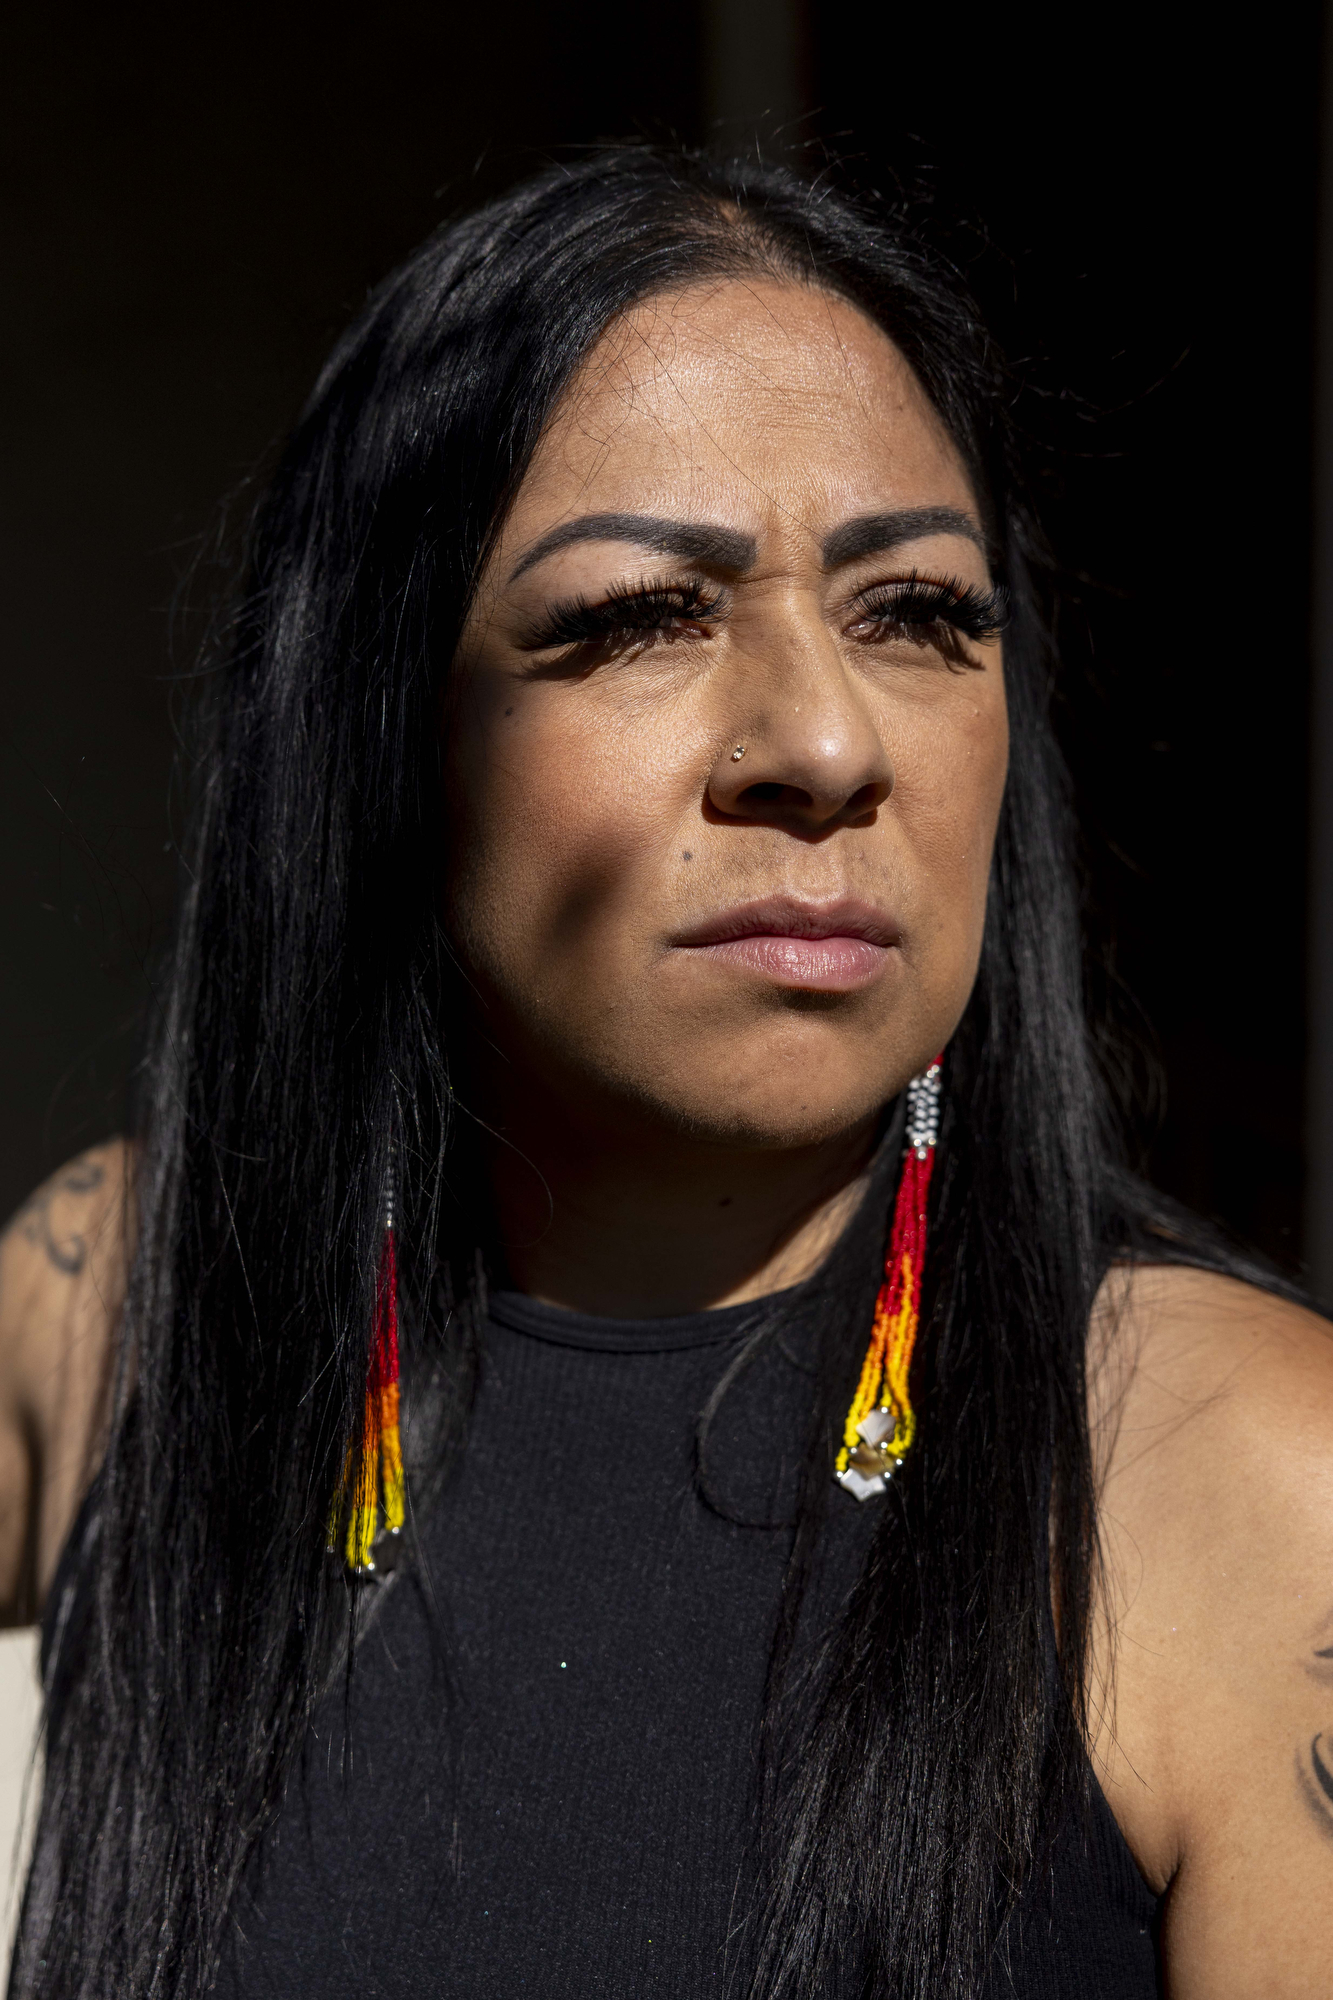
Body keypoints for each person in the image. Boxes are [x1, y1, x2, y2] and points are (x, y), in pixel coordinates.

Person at [2, 144, 1330, 2000]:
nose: (820, 739)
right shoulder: (135, 1307)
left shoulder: (1242, 1481)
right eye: (637, 617)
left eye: (919, 614)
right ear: (377, 732)